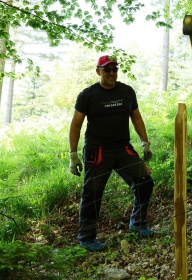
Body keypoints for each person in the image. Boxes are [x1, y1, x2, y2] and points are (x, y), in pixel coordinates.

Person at [68, 55, 155, 251]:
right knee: (93, 193)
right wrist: (73, 155)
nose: (112, 73)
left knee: (144, 182)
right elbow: (75, 124)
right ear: (98, 71)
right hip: (97, 150)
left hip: (122, 148)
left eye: (114, 69)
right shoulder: (88, 95)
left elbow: (137, 118)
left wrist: (145, 142)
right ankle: (87, 237)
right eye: (107, 69)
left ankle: (138, 223)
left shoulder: (126, 92)